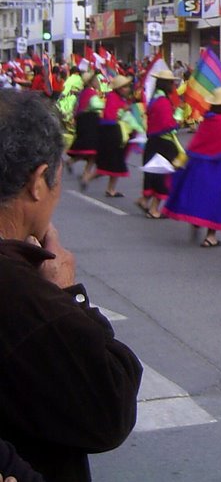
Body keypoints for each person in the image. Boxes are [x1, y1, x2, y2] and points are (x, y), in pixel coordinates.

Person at [0, 90, 143, 482]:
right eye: (57, 177)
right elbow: (109, 408)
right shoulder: (21, 293)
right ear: (36, 182)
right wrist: (67, 294)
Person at [163, 86, 221, 248]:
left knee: (199, 196)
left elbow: (194, 144)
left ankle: (196, 222)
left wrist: (180, 162)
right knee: (218, 200)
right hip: (216, 166)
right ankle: (211, 236)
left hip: (197, 165)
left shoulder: (207, 120)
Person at [137, 69, 182, 220]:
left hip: (154, 142)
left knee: (155, 173)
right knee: (165, 175)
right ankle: (154, 209)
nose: (174, 85)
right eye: (171, 82)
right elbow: (166, 124)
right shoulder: (162, 101)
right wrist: (177, 122)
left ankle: (145, 200)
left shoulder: (156, 98)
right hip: (164, 143)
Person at [93, 75, 139, 198]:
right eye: (124, 87)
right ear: (119, 88)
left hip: (118, 133)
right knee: (114, 163)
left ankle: (110, 188)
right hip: (112, 133)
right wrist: (124, 110)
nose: (127, 89)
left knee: (115, 163)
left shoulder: (120, 98)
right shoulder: (113, 97)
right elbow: (110, 116)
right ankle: (91, 179)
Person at [67, 72, 102, 189]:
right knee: (92, 151)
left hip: (83, 121)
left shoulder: (83, 93)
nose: (98, 82)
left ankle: (77, 167)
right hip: (89, 122)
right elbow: (97, 106)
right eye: (96, 80)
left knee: (88, 151)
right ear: (91, 82)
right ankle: (86, 174)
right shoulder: (91, 93)